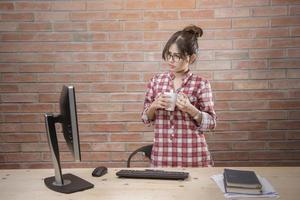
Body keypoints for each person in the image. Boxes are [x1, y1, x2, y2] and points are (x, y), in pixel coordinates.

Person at [141, 25, 217, 167]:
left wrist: (191, 109)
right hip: (162, 158)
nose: (171, 60)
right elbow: (145, 119)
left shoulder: (201, 84)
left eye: (177, 56)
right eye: (169, 54)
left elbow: (212, 123)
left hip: (194, 157)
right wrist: (153, 106)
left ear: (191, 58)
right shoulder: (156, 81)